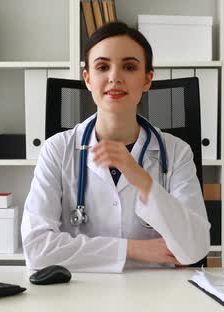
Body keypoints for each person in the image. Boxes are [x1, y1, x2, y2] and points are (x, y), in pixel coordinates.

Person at [21, 21, 210, 273]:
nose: (115, 77)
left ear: (147, 79)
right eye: (102, 67)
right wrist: (133, 249)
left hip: (158, 295)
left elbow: (195, 249)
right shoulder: (57, 150)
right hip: (78, 295)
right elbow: (37, 250)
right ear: (87, 79)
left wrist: (142, 179)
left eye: (129, 67)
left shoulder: (177, 153)